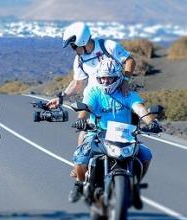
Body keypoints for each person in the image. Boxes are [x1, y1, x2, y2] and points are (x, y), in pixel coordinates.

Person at [68, 58, 162, 207]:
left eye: (109, 77)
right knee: (80, 158)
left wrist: (151, 122)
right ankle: (80, 184)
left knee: (146, 154)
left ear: (118, 77)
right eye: (102, 78)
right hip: (98, 134)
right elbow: (86, 107)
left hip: (126, 136)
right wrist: (81, 119)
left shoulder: (127, 94)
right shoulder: (94, 92)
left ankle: (135, 185)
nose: (105, 81)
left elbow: (140, 109)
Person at [47, 22, 136, 146]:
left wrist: (126, 80)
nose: (73, 49)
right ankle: (80, 161)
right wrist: (61, 97)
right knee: (85, 130)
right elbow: (78, 83)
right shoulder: (79, 59)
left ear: (81, 41)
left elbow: (129, 60)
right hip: (94, 99)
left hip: (117, 95)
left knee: (129, 128)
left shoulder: (108, 46)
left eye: (73, 46)